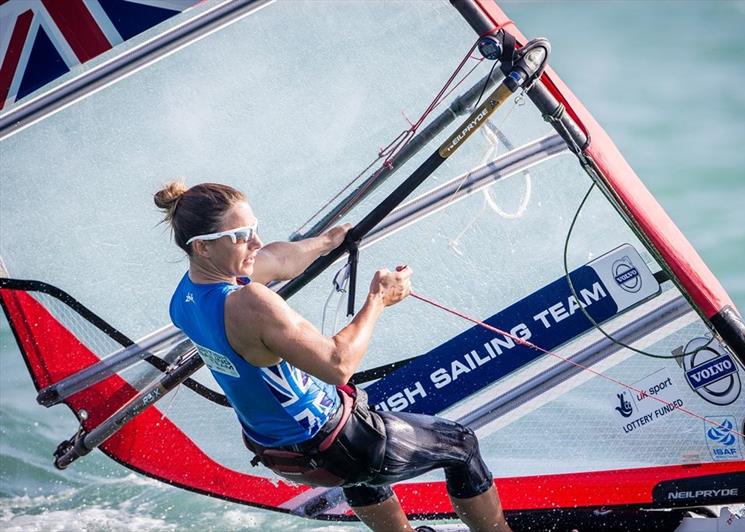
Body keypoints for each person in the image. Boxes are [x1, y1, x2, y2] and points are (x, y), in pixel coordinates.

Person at [154, 181, 511, 532]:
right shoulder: (249, 303)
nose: (256, 242)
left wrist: (328, 241)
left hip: (283, 452)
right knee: (461, 445)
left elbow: (277, 259)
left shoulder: (184, 299)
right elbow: (338, 365)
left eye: (255, 229)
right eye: (242, 235)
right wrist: (379, 299)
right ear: (202, 247)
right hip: (338, 443)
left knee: (363, 477)